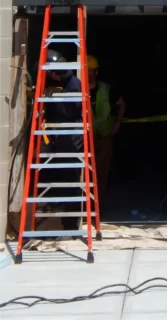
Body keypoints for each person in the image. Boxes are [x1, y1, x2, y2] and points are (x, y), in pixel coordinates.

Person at [41, 50, 83, 231]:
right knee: (59, 179)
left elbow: (71, 111)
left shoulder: (73, 85)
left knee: (70, 183)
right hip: (63, 140)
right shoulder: (67, 83)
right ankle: (63, 222)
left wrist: (52, 100)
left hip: (71, 142)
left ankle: (70, 225)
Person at [86, 55, 126, 203]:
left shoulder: (106, 90)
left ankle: (97, 204)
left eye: (91, 70)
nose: (88, 73)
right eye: (86, 70)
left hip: (103, 137)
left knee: (101, 173)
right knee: (85, 172)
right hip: (85, 139)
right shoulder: (78, 89)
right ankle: (85, 205)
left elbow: (122, 104)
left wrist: (117, 124)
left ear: (96, 72)